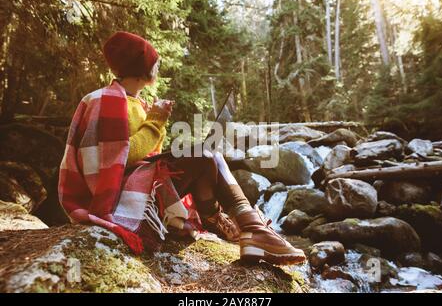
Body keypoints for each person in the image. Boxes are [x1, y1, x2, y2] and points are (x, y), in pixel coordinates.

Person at [58, 31, 305, 265]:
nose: (157, 66)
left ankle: (240, 227)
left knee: (207, 155)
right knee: (205, 154)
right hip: (118, 196)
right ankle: (252, 230)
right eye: (154, 62)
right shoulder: (105, 100)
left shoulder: (136, 102)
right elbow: (119, 157)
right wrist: (156, 120)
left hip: (138, 186)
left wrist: (156, 120)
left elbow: (148, 152)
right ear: (141, 65)